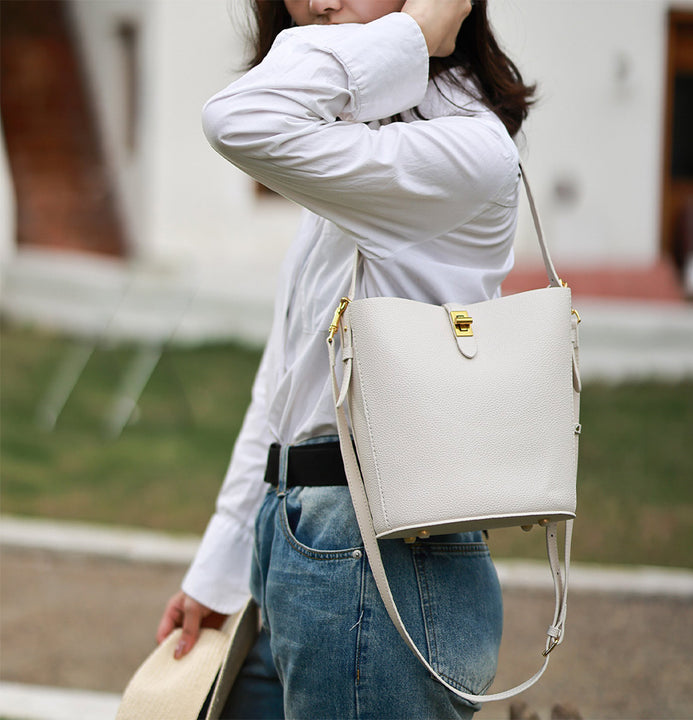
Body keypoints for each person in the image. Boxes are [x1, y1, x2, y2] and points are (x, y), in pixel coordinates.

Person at [157, 1, 535, 717]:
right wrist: (223, 566)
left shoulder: (464, 149)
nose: (319, 2)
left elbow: (239, 118)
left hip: (372, 554)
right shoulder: (358, 143)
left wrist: (416, 36)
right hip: (298, 540)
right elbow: (290, 377)